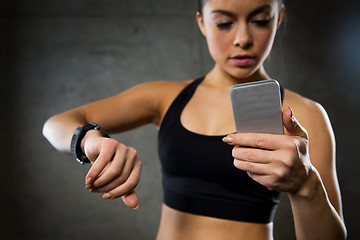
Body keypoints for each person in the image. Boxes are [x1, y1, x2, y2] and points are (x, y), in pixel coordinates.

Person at [42, 0, 347, 239]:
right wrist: (89, 139)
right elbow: (56, 124)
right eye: (224, 23)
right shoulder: (164, 97)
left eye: (260, 20)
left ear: (278, 17)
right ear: (202, 22)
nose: (242, 38)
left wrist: (306, 185)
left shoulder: (304, 115)